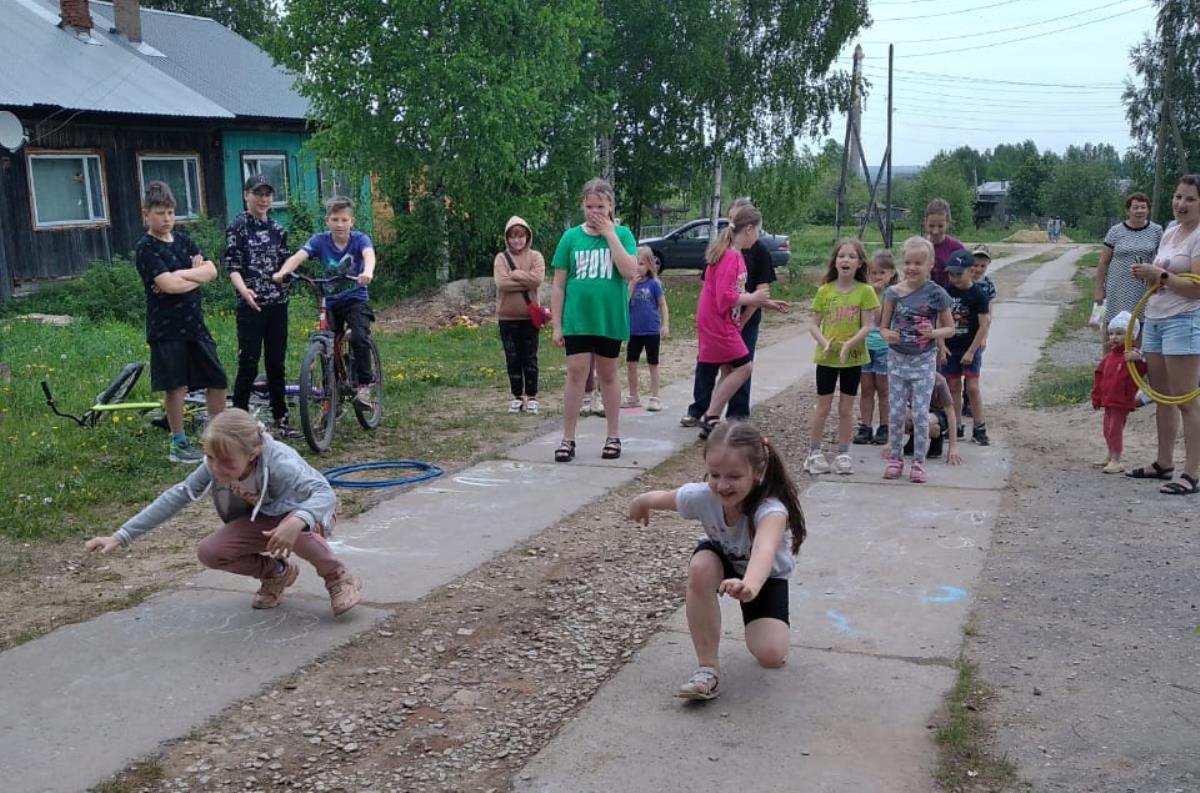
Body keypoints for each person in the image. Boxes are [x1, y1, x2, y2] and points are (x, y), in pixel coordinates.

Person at [84, 409, 363, 616]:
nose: (216, 468)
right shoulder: (216, 462)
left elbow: (324, 493)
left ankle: (337, 576)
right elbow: (178, 495)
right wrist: (121, 535)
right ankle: (277, 573)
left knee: (294, 528)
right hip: (264, 519)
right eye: (210, 458)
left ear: (253, 453)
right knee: (210, 552)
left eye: (226, 462)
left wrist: (300, 519)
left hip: (310, 515)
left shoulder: (280, 462)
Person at [627, 421, 805, 701]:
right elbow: (664, 498)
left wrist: (750, 585)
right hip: (721, 556)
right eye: (714, 474)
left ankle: (767, 632)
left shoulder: (771, 510)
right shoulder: (701, 496)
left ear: (757, 472)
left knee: (770, 654)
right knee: (700, 568)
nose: (722, 485)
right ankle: (707, 668)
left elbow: (765, 548)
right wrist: (641, 501)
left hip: (763, 576)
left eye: (734, 476)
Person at [133, 180, 227, 463]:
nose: (167, 219)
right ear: (146, 214)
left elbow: (212, 270)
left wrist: (181, 276)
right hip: (166, 328)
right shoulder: (146, 248)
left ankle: (216, 436)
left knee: (217, 379)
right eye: (160, 213)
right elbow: (168, 285)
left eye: (171, 212)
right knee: (176, 386)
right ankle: (179, 442)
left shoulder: (185, 240)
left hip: (195, 325)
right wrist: (191, 276)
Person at [550, 178, 639, 462]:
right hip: (577, 317)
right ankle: (568, 438)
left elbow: (629, 272)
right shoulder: (571, 237)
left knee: (608, 373)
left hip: (608, 318)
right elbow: (559, 284)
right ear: (582, 206)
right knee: (576, 372)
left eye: (600, 206)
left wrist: (610, 235)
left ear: (611, 206)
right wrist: (556, 324)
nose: (594, 212)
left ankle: (613, 435)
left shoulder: (623, 234)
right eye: (589, 206)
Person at [1128, 174, 1200, 495]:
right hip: (1155, 318)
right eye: (1178, 197)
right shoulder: (1170, 231)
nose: (1180, 204)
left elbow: (1196, 289)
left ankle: (1192, 473)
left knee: (1186, 400)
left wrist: (1161, 275)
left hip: (1182, 321)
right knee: (1162, 397)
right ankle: (1164, 463)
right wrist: (1149, 277)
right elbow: (1164, 278)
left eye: (1189, 199)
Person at [692, 202, 786, 441]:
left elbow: (733, 292)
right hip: (718, 322)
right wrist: (753, 297)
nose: (758, 237)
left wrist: (766, 303)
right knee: (744, 367)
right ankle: (711, 416)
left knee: (729, 369)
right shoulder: (730, 257)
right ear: (749, 229)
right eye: (758, 231)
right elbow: (725, 297)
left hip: (721, 320)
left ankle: (710, 418)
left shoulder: (733, 255)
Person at [275, 196, 377, 409]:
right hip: (330, 302)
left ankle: (365, 386)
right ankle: (331, 400)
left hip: (355, 300)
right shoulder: (320, 240)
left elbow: (369, 256)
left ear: (352, 221)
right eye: (335, 219)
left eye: (344, 220)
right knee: (325, 345)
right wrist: (284, 271)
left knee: (359, 336)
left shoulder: (360, 239)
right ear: (327, 220)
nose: (339, 224)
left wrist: (367, 272)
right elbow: (299, 256)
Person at [225, 174, 296, 439]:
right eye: (258, 194)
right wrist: (245, 292)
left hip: (278, 304)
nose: (264, 199)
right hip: (251, 305)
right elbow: (232, 266)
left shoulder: (279, 229)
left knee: (276, 362)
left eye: (267, 194)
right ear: (247, 195)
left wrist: (288, 277)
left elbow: (286, 263)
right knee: (249, 362)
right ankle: (238, 423)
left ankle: (281, 416)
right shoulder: (238, 227)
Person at [879, 236, 954, 483]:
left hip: (923, 360)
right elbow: (882, 327)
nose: (912, 268)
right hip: (897, 359)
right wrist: (886, 334)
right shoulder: (892, 293)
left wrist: (934, 333)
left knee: (921, 414)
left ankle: (919, 463)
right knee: (898, 412)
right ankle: (896, 459)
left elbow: (950, 328)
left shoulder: (937, 294)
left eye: (918, 263)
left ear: (930, 265)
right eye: (908, 262)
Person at [805, 239, 879, 475]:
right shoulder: (824, 291)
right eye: (841, 256)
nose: (845, 260)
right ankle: (814, 453)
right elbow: (813, 325)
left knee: (846, 408)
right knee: (823, 406)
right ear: (835, 261)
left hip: (853, 359)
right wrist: (825, 342)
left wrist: (849, 344)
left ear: (859, 263)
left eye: (851, 256)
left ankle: (843, 454)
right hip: (826, 358)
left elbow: (868, 325)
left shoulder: (865, 291)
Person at [493, 216, 546, 414]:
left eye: (521, 236)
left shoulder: (536, 257)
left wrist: (515, 274)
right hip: (507, 317)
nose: (517, 241)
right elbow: (502, 283)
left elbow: (537, 280)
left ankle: (532, 396)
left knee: (530, 358)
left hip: (530, 317)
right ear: (507, 238)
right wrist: (525, 278)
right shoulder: (501, 258)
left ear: (527, 237)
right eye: (513, 237)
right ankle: (516, 396)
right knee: (512, 358)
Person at [939, 249, 992, 446]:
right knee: (952, 386)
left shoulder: (978, 294)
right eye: (951, 274)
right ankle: (956, 425)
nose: (954, 278)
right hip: (951, 347)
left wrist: (972, 350)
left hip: (970, 346)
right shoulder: (946, 292)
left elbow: (984, 324)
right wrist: (941, 344)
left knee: (972, 387)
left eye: (958, 273)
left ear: (971, 271)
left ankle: (979, 427)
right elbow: (939, 319)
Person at [1092, 193, 1163, 331]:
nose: (1139, 211)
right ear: (1128, 210)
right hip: (1117, 289)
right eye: (1135, 207)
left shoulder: (1157, 231)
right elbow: (1103, 263)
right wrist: (1099, 290)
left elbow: (1161, 259)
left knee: (1139, 327)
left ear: (1148, 210)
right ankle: (1110, 353)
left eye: (1143, 207)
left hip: (1143, 288)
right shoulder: (1115, 231)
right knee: (1113, 328)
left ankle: (1137, 352)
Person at [1092, 311, 1145, 475]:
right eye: (1112, 333)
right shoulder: (1109, 357)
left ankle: (1116, 459)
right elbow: (1099, 376)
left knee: (1115, 429)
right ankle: (1110, 454)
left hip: (1121, 400)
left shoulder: (1132, 357)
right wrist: (1096, 396)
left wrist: (1138, 357)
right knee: (1107, 429)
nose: (1114, 337)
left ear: (1131, 336)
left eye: (1120, 333)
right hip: (1108, 400)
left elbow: (1143, 369)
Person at [854, 249, 897, 446]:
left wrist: (874, 294)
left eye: (882, 273)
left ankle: (885, 426)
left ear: (891, 274)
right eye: (874, 273)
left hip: (883, 347)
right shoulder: (864, 292)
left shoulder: (891, 295)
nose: (878, 277)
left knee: (884, 389)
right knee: (866, 389)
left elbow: (881, 320)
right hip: (865, 346)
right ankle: (865, 426)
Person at [625, 246, 670, 411]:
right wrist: (631, 285)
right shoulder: (631, 284)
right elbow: (625, 303)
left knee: (653, 363)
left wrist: (665, 324)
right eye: (636, 263)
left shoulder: (654, 284)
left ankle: (655, 396)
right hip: (634, 331)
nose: (638, 267)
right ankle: (633, 395)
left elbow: (663, 305)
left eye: (642, 264)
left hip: (651, 330)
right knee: (631, 363)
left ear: (650, 265)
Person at [901, 371, 962, 464]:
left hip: (937, 415)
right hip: (917, 410)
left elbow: (951, 414)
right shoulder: (909, 377)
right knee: (901, 416)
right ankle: (913, 440)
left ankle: (937, 439)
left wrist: (953, 447)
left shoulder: (939, 381)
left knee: (926, 420)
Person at [925, 198, 965, 289]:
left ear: (948, 223)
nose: (935, 231)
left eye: (940, 226)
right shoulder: (919, 248)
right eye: (931, 226)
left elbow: (966, 278)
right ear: (925, 222)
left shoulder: (957, 249)